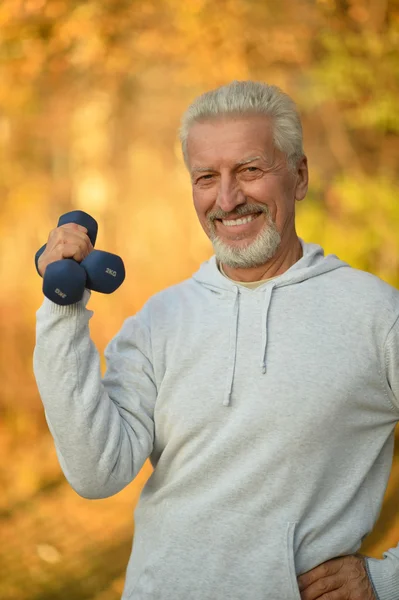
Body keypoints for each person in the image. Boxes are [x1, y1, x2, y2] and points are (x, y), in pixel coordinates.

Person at [33, 80, 399, 600]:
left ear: (299, 176)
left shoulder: (376, 316)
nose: (227, 199)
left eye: (250, 170)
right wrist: (62, 311)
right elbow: (98, 472)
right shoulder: (158, 320)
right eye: (207, 177)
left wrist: (386, 579)